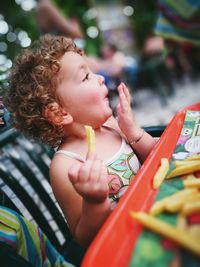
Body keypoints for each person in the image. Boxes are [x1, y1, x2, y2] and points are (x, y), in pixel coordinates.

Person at [5, 34, 156, 248]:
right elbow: (84, 238)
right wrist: (94, 202)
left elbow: (157, 158)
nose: (100, 78)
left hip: (157, 209)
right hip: (128, 244)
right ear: (58, 113)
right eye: (86, 77)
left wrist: (134, 133)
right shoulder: (67, 166)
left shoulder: (111, 126)